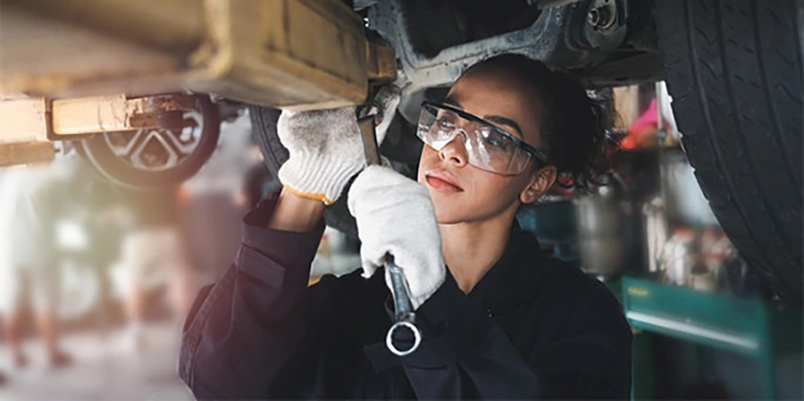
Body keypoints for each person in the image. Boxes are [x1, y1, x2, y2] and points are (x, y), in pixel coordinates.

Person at [179, 54, 632, 399]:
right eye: (448, 121)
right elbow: (222, 379)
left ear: (537, 182)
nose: (451, 149)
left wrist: (432, 300)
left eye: (495, 138)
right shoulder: (357, 302)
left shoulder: (580, 316)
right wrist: (306, 187)